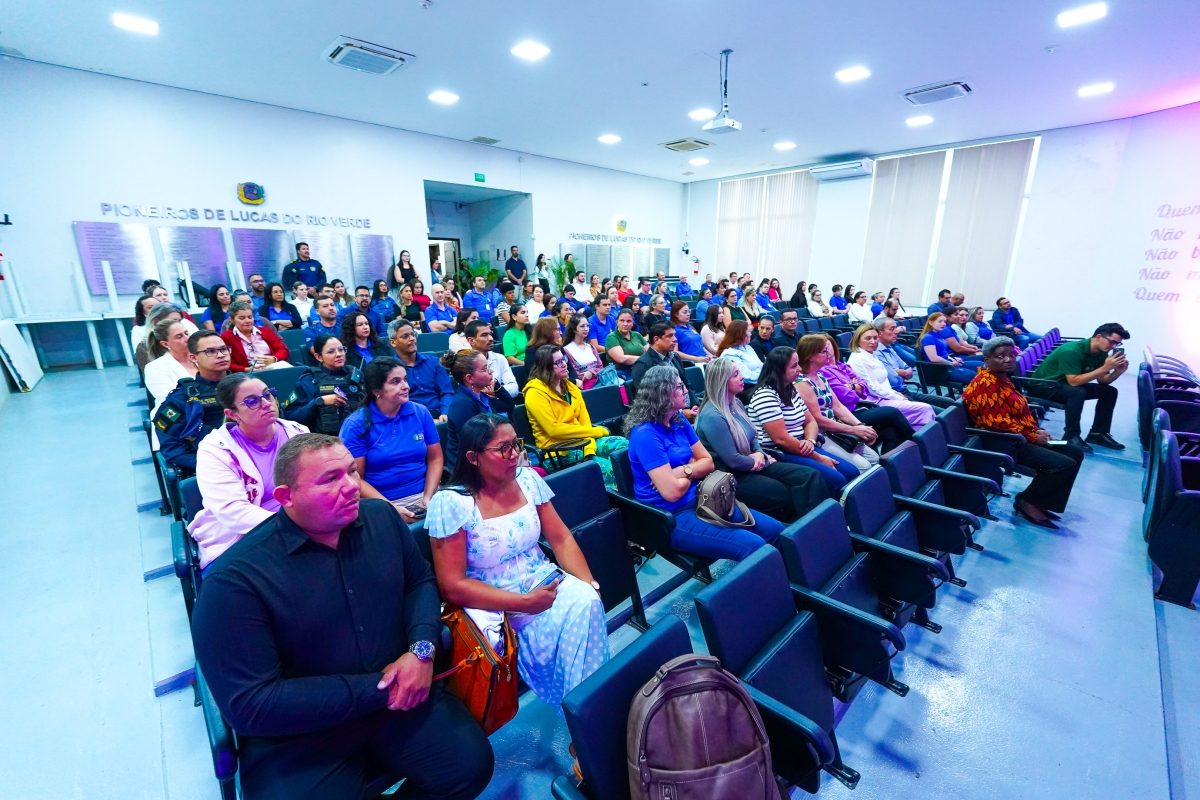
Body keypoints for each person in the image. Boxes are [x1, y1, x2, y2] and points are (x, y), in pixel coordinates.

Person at [192, 431, 494, 800]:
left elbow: (419, 583)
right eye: (330, 479)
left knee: (469, 768)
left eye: (352, 471)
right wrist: (383, 687)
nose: (351, 486)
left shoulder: (382, 519)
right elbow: (253, 704)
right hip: (302, 732)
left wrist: (421, 651)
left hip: (401, 700)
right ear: (286, 497)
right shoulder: (236, 581)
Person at [427, 414, 609, 728]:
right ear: (473, 457)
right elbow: (452, 585)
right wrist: (524, 603)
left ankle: (587, 719)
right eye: (503, 449)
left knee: (587, 601)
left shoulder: (527, 480)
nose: (514, 455)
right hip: (492, 601)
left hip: (541, 580)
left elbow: (561, 538)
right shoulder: (452, 503)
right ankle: (589, 723)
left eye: (516, 445)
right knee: (579, 613)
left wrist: (588, 582)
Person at [625, 365, 785, 560]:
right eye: (679, 387)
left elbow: (708, 463)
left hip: (705, 497)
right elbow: (673, 493)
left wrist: (680, 471)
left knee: (776, 531)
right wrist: (692, 469)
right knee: (754, 547)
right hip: (672, 516)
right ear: (662, 393)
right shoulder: (646, 435)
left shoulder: (678, 419)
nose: (686, 390)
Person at [189, 373, 309, 571]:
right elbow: (234, 511)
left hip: (301, 522)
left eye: (267, 394)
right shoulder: (216, 450)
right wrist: (295, 527)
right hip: (239, 535)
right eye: (252, 401)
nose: (266, 403)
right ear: (233, 414)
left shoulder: (298, 433)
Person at [963, 337, 1085, 527]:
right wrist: (1034, 436)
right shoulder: (985, 385)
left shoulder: (1003, 380)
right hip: (1007, 443)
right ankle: (1028, 501)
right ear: (987, 359)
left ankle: (1042, 501)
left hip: (1026, 436)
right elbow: (997, 424)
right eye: (1000, 356)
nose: (1008, 359)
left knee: (1074, 450)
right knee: (1064, 464)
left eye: (1011, 355)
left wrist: (1040, 431)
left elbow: (1019, 414)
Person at [695, 358, 828, 522]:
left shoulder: (736, 402)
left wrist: (759, 453)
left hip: (753, 462)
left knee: (810, 476)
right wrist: (761, 460)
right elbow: (733, 461)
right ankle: (805, 529)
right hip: (732, 475)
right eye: (735, 375)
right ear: (721, 381)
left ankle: (821, 525)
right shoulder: (712, 417)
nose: (742, 377)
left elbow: (753, 436)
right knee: (784, 494)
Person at [339, 357, 443, 522]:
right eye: (396, 382)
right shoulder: (356, 424)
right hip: (383, 502)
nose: (406, 386)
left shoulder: (421, 412)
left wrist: (428, 497)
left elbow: (435, 459)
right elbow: (355, 477)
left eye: (405, 379)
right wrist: (390, 508)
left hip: (426, 495)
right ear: (376, 390)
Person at [747, 348, 860, 494]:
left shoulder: (790, 389)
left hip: (802, 444)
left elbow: (810, 421)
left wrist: (810, 441)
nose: (800, 369)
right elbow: (781, 439)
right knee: (837, 480)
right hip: (780, 451)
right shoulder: (765, 396)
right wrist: (818, 457)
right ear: (779, 370)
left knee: (852, 472)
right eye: (794, 366)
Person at [523, 346, 625, 479]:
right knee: (607, 469)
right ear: (545, 367)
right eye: (558, 362)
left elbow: (585, 423)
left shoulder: (571, 388)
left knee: (624, 446)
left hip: (584, 441)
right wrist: (596, 432)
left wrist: (589, 447)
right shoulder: (534, 393)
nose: (564, 364)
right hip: (557, 451)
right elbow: (554, 430)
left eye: (564, 359)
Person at [1029, 322, 1130, 452]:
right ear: (1098, 336)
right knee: (1077, 392)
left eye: (1117, 344)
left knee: (1109, 391)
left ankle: (1098, 433)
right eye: (1112, 342)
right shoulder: (1072, 351)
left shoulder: (1101, 353)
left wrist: (1117, 372)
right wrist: (1105, 368)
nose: (1114, 346)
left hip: (1063, 384)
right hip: (1042, 385)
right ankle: (1071, 435)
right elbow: (1074, 382)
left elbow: (1103, 381)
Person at [813, 332, 913, 454]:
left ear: (834, 347)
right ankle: (918, 442)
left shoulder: (843, 366)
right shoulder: (824, 371)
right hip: (849, 413)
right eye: (823, 349)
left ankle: (889, 463)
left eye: (828, 346)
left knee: (892, 433)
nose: (827, 351)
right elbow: (845, 397)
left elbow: (864, 387)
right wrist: (855, 386)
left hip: (861, 406)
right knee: (892, 412)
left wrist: (851, 386)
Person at [794, 335, 879, 472]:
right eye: (824, 351)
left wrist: (860, 426)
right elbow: (818, 420)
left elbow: (837, 406)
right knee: (864, 466)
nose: (829, 354)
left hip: (834, 430)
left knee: (874, 458)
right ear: (810, 356)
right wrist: (853, 430)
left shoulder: (820, 376)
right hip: (820, 434)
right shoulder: (802, 383)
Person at [154, 331, 232, 474]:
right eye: (210, 351)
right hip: (214, 468)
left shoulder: (251, 386)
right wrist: (213, 465)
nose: (221, 355)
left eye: (223, 349)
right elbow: (172, 449)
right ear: (193, 357)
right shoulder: (182, 398)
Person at [846, 325, 936, 429]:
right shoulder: (860, 359)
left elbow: (883, 382)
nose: (873, 341)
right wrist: (897, 396)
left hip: (885, 395)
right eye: (868, 338)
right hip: (876, 401)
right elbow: (873, 388)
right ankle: (928, 437)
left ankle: (919, 435)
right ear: (858, 340)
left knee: (922, 413)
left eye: (875, 338)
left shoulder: (870, 354)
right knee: (925, 409)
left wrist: (895, 393)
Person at [440, 352, 515, 469]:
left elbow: (508, 405)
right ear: (470, 378)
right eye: (485, 369)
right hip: (469, 470)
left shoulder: (481, 396)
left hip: (489, 459)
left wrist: (495, 384)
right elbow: (474, 447)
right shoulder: (462, 405)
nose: (491, 371)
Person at [281, 334, 365, 435]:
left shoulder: (355, 374)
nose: (339, 354)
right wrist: (318, 402)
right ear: (319, 357)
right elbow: (291, 417)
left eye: (341, 349)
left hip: (359, 434)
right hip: (325, 439)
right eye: (331, 351)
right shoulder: (309, 380)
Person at [872, 317, 956, 409]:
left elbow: (908, 370)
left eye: (896, 328)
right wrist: (902, 372)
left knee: (950, 403)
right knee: (937, 411)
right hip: (896, 396)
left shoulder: (889, 348)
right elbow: (894, 380)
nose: (896, 331)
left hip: (905, 391)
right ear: (880, 333)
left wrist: (900, 372)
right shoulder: (876, 352)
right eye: (892, 329)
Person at [387, 319, 453, 422]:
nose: (412, 339)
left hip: (440, 414)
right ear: (393, 342)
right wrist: (425, 420)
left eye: (413, 334)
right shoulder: (390, 369)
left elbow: (446, 392)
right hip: (410, 419)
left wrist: (445, 412)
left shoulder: (434, 362)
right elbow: (394, 403)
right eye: (405, 336)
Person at [631, 323, 698, 419]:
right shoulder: (643, 364)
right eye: (670, 336)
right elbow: (649, 399)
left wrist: (695, 403)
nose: (675, 339)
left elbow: (686, 384)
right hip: (664, 417)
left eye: (674, 335)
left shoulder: (675, 357)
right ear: (656, 339)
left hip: (688, 409)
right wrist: (680, 413)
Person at [145, 318, 199, 413]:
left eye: (186, 333)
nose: (187, 339)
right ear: (165, 344)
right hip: (176, 415)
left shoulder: (201, 357)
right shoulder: (155, 367)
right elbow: (172, 400)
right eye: (179, 336)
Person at [222, 301, 292, 372]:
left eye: (250, 317)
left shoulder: (265, 331)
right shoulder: (226, 337)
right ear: (232, 320)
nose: (247, 321)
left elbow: (283, 350)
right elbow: (228, 362)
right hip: (247, 373)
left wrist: (274, 358)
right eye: (242, 318)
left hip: (272, 367)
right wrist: (246, 369)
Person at [918, 313, 980, 384]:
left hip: (947, 364)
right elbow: (933, 358)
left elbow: (944, 353)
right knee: (973, 376)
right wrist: (950, 363)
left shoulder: (938, 335)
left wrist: (953, 360)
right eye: (940, 321)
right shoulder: (928, 337)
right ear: (931, 322)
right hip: (939, 370)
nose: (943, 324)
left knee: (979, 365)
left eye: (944, 321)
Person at [466, 319, 519, 396]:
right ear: (471, 341)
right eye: (484, 335)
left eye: (490, 334)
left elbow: (514, 389)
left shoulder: (499, 358)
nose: (491, 338)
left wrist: (496, 391)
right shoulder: (465, 363)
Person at [715, 320, 763, 392]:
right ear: (740, 334)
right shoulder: (729, 354)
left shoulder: (748, 347)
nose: (750, 334)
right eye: (748, 331)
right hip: (744, 390)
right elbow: (746, 377)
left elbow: (761, 366)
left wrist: (760, 373)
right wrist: (764, 376)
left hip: (758, 384)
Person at [605, 309, 648, 379]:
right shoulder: (611, 337)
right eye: (622, 321)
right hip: (622, 374)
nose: (625, 324)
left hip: (640, 369)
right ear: (617, 322)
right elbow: (621, 359)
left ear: (633, 323)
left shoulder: (637, 335)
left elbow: (649, 351)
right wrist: (644, 359)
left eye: (629, 321)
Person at [562, 314, 601, 390]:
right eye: (582, 326)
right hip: (583, 385)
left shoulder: (591, 347)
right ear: (574, 329)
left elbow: (600, 367)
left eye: (587, 326)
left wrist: (591, 372)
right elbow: (575, 374)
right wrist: (591, 373)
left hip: (599, 380)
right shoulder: (567, 350)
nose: (586, 329)